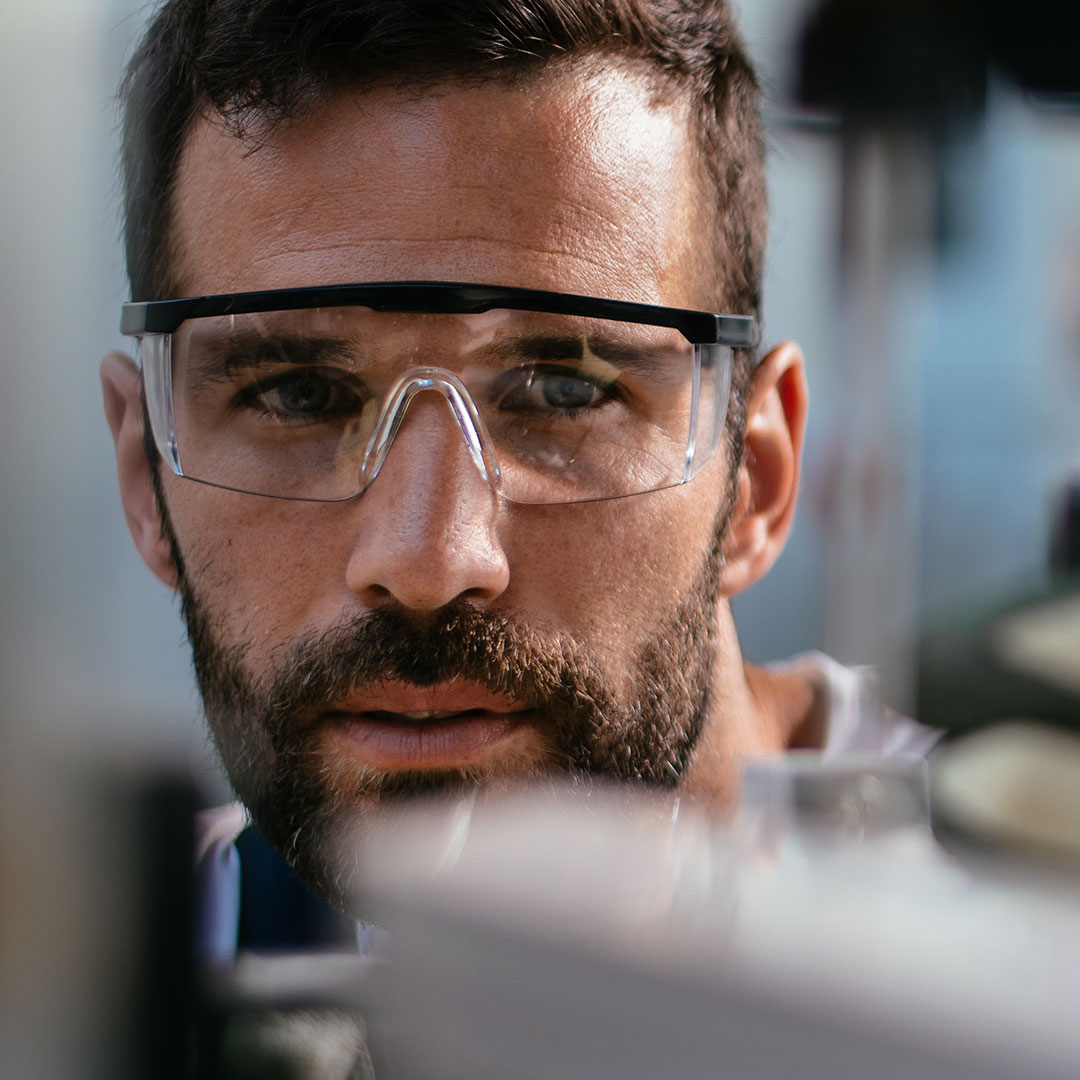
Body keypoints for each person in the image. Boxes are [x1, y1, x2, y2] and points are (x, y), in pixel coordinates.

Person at [101, 0, 933, 930]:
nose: (426, 562)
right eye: (301, 395)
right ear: (144, 477)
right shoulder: (93, 994)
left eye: (563, 393)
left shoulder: (1024, 943)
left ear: (757, 480)